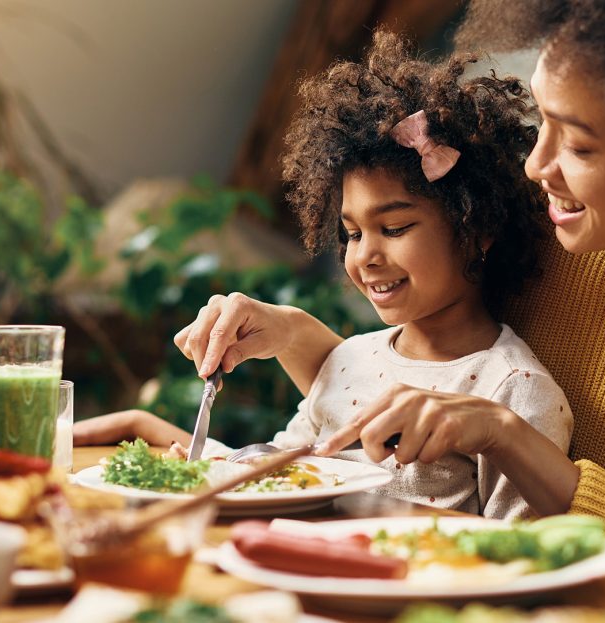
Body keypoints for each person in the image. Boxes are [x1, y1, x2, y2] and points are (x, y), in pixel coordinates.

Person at [168, 0, 605, 571]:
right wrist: (297, 336)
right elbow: (423, 410)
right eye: (542, 122)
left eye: (578, 145)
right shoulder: (547, 227)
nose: (535, 166)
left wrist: (509, 437)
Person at [76, 30, 573, 519]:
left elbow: (523, 553)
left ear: (477, 226)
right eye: (353, 234)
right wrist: (154, 432)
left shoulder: (510, 387)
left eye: (394, 227)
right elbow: (270, 476)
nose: (365, 257)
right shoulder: (349, 358)